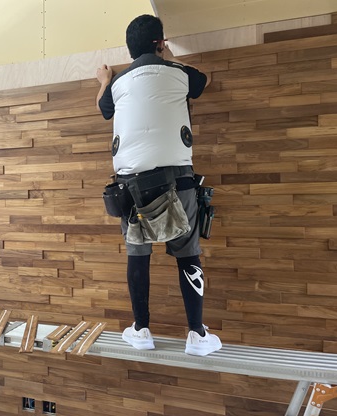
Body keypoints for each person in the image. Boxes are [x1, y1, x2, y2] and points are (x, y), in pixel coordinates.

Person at [96, 14, 222, 356]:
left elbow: (102, 107)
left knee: (138, 254)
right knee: (188, 253)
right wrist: (168, 55)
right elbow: (204, 80)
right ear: (161, 43)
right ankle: (197, 335)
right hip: (179, 181)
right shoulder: (179, 73)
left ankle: (141, 330)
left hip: (130, 188)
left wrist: (105, 79)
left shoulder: (117, 84)